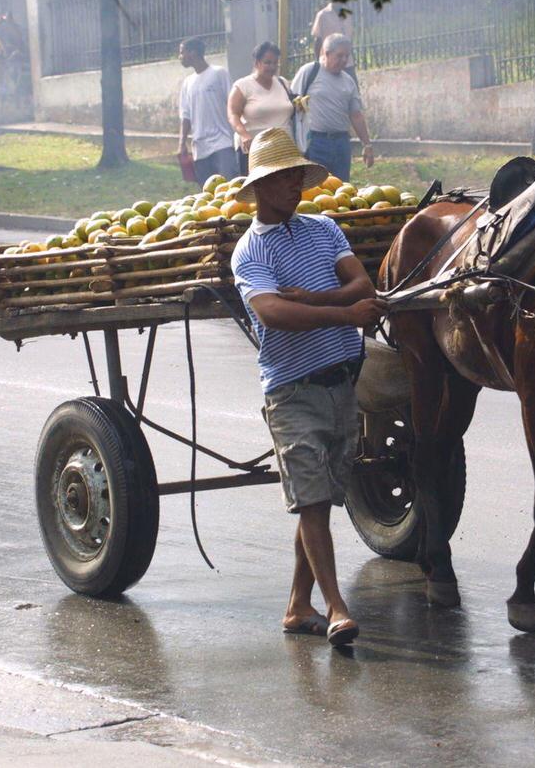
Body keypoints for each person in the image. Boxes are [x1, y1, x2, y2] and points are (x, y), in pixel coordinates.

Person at [230, 127, 388, 647]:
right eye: (283, 177)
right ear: (260, 187)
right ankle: (336, 608)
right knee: (313, 502)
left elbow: (362, 284)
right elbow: (273, 313)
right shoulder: (250, 252)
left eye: (297, 174)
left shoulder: (325, 228)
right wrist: (340, 311)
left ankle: (298, 607)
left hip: (342, 382)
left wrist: (313, 299)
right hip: (293, 391)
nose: (295, 184)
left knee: (322, 497)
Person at [290, 34, 373, 182]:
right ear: (326, 53)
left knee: (342, 188)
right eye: (339, 56)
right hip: (315, 142)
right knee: (315, 187)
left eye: (346, 56)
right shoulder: (309, 72)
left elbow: (356, 115)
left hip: (341, 143)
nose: (343, 60)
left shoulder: (348, 81)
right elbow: (292, 103)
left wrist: (367, 144)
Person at [227, 41, 294, 175]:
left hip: (283, 150)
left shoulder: (283, 83)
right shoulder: (242, 86)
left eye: (275, 63)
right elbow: (233, 114)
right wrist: (244, 135)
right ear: (257, 63)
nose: (272, 67)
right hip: (254, 151)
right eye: (267, 62)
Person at [177, 36, 236, 184]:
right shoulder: (187, 83)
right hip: (200, 148)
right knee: (207, 195)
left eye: (182, 52)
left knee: (228, 188)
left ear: (193, 53)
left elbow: (233, 104)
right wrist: (182, 143)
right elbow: (186, 116)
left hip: (222, 143)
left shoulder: (219, 73)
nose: (180, 57)